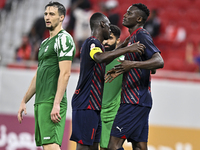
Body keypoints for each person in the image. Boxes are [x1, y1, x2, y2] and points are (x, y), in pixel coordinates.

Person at [70, 12, 146, 150]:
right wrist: (128, 48)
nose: (110, 30)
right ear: (102, 24)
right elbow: (99, 57)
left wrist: (123, 46)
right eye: (109, 27)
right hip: (86, 103)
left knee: (94, 147)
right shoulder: (92, 42)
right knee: (83, 147)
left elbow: (107, 57)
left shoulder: (99, 46)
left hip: (94, 106)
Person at [105, 3, 164, 150]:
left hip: (133, 100)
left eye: (129, 13)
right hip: (141, 100)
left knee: (113, 146)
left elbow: (159, 61)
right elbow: (150, 65)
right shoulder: (132, 38)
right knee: (139, 146)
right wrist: (123, 69)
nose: (124, 15)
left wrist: (131, 65)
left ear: (138, 19)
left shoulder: (141, 35)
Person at [17, 2, 76, 150]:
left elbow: (65, 73)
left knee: (51, 146)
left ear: (62, 17)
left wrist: (56, 103)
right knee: (47, 147)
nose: (47, 17)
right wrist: (24, 100)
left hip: (52, 101)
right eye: (46, 14)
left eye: (52, 14)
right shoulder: (44, 43)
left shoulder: (64, 39)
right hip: (41, 101)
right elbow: (39, 74)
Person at [100, 25, 123, 150]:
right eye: (104, 38)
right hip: (95, 110)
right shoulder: (96, 59)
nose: (106, 42)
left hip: (113, 113)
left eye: (110, 38)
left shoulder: (123, 63)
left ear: (118, 40)